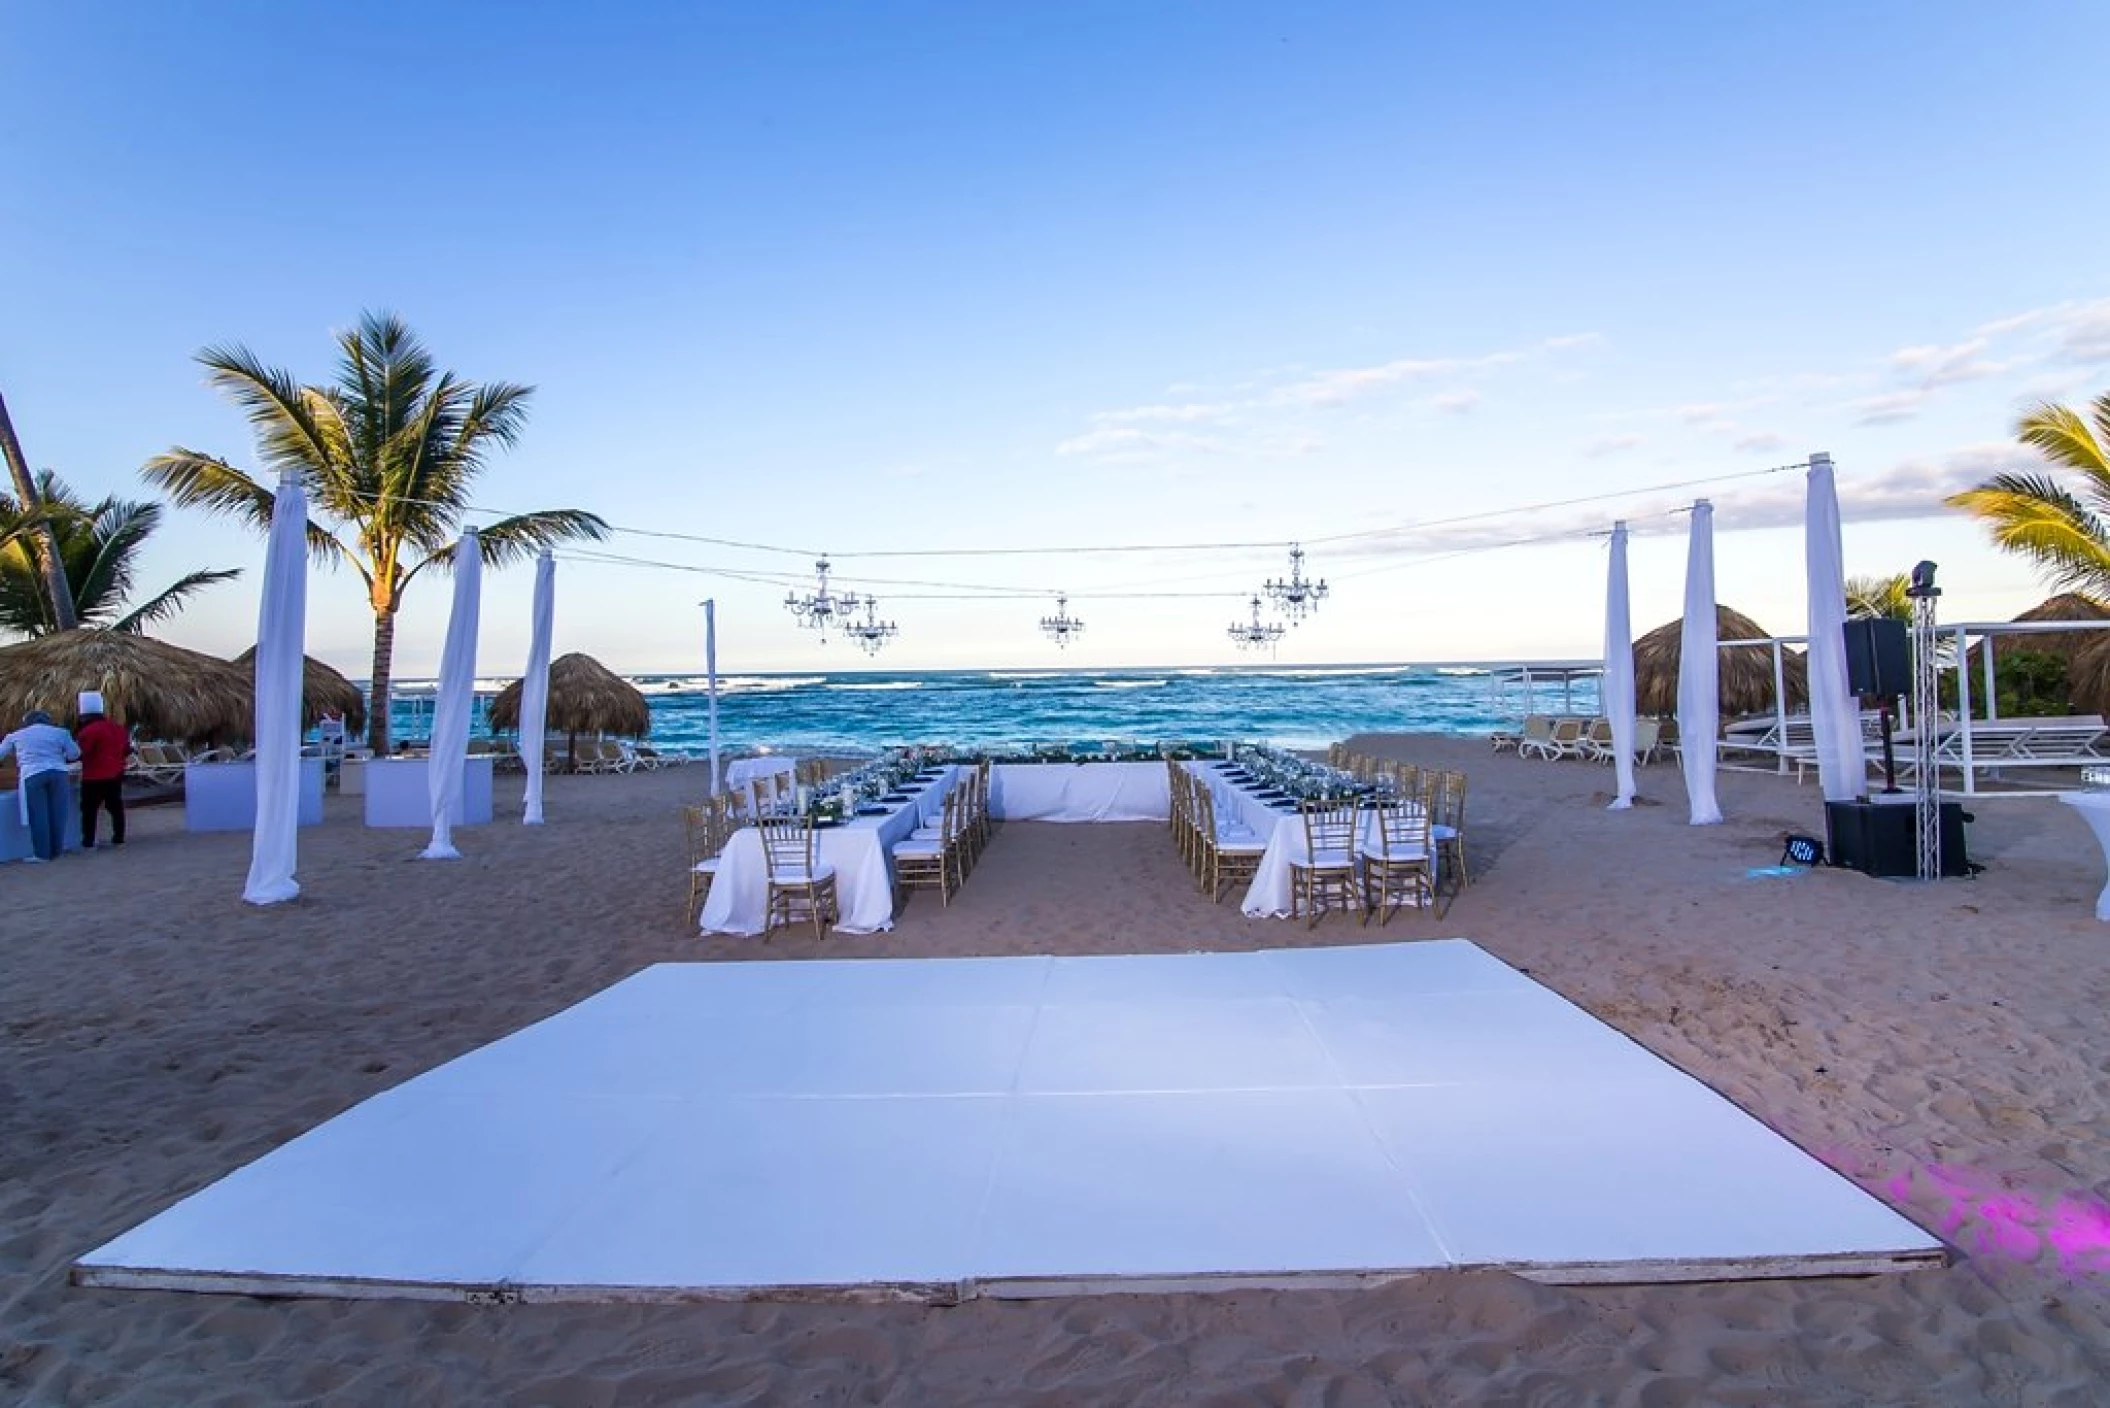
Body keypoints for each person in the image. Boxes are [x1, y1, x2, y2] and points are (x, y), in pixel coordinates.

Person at [0, 708, 81, 863]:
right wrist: (61, 755)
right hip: (58, 773)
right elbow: (75, 753)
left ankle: (42, 854)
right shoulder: (60, 733)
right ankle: (57, 851)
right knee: (58, 814)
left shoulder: (16, 735)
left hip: (32, 774)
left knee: (38, 815)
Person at [73, 691, 133, 849]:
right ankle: (118, 837)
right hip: (116, 772)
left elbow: (81, 752)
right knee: (115, 806)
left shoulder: (88, 731)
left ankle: (89, 841)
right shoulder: (119, 729)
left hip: (94, 775)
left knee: (89, 810)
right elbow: (126, 750)